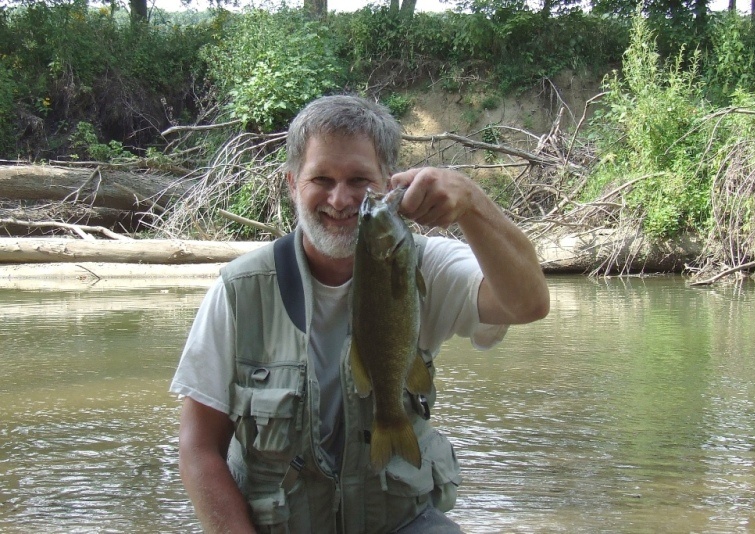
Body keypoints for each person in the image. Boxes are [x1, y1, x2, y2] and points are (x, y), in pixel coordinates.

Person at [170, 94, 549, 533]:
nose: (340, 198)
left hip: (398, 522)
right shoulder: (239, 291)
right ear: (293, 183)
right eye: (321, 178)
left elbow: (529, 304)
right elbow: (198, 448)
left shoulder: (421, 264)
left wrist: (473, 205)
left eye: (358, 179)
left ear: (390, 182)